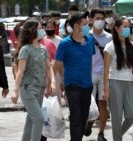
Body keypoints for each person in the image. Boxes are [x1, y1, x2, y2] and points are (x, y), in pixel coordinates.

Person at [53, 11, 95, 141]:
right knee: (76, 116)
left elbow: (90, 61)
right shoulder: (65, 43)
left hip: (87, 85)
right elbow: (58, 64)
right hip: (72, 85)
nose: (88, 26)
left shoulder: (90, 40)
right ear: (76, 27)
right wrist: (60, 82)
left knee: (83, 117)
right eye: (85, 24)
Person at [11, 20, 52, 141]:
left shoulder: (43, 49)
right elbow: (20, 71)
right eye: (39, 28)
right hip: (28, 88)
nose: (42, 30)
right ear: (31, 31)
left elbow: (48, 68)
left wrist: (51, 83)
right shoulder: (25, 49)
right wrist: (15, 91)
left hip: (40, 87)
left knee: (31, 118)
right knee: (38, 118)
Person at [103, 17, 133, 141]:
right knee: (117, 117)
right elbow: (106, 70)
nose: (127, 29)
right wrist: (106, 89)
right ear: (117, 28)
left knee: (132, 115)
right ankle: (117, 138)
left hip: (129, 82)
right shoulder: (110, 47)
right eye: (124, 26)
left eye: (128, 26)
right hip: (114, 82)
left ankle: (117, 136)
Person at [84, 8, 112, 141]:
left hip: (104, 76)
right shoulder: (86, 37)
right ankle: (89, 122)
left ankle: (101, 133)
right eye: (97, 18)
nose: (100, 21)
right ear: (91, 20)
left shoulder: (109, 38)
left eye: (102, 18)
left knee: (103, 104)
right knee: (89, 103)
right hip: (88, 74)